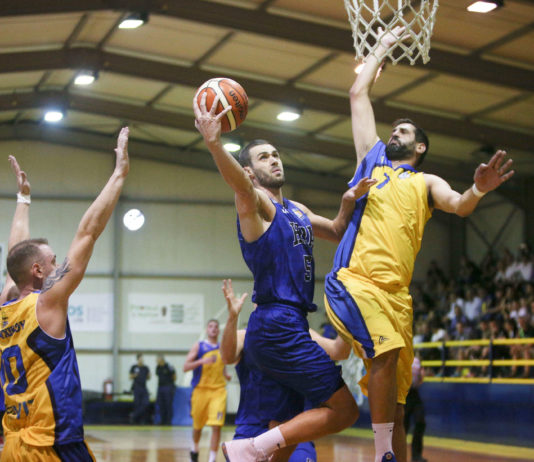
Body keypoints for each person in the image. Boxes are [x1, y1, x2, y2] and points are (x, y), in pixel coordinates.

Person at [323, 25, 514, 462]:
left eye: (404, 131)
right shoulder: (371, 159)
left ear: (420, 146)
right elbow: (357, 94)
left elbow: (460, 206)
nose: (395, 133)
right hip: (356, 281)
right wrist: (383, 46)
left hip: (397, 299)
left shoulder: (426, 182)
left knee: (399, 406)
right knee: (387, 354)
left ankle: (393, 453)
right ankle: (381, 455)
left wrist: (479, 189)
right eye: (394, 129)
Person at [194, 93, 375, 462]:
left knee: (288, 427)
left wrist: (347, 201)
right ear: (248, 171)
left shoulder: (297, 209)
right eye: (263, 157)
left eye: (276, 154)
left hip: (291, 321)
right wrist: (215, 145)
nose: (274, 159)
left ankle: (256, 450)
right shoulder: (256, 204)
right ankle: (249, 448)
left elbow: (338, 230)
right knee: (345, 411)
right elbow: (241, 188)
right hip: (276, 322)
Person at [0, 128, 130, 461]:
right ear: (38, 271)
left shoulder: (5, 307)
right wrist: (118, 175)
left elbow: (16, 256)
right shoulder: (46, 303)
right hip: (51, 444)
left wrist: (23, 200)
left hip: (12, 445)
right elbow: (88, 233)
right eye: (53, 261)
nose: (58, 265)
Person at [220, 279, 351, 462]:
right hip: (252, 427)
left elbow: (339, 351)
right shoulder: (245, 334)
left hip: (293, 430)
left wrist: (350, 316)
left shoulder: (304, 334)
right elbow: (227, 357)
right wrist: (232, 317)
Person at [183, 319, 231, 462]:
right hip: (200, 391)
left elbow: (222, 366)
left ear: (219, 330)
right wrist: (201, 361)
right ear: (206, 329)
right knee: (197, 427)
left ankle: (212, 459)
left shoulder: (222, 348)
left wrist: (226, 375)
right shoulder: (199, 346)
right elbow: (185, 367)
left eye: (216, 326)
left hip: (218, 391)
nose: (213, 328)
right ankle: (194, 448)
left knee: (217, 426)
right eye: (211, 326)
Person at [404, 355, 426, 462]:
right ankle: (398, 454)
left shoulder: (417, 360)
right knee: (403, 426)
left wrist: (421, 376)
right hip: (403, 394)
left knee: (420, 422)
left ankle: (416, 456)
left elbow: (421, 378)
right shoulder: (401, 358)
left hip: (414, 394)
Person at [129, 353, 151, 424]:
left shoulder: (145, 368)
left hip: (144, 387)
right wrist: (135, 375)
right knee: (137, 404)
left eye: (142, 358)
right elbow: (130, 377)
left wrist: (148, 375)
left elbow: (148, 377)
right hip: (137, 387)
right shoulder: (134, 367)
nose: (142, 360)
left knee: (146, 403)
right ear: (138, 359)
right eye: (140, 359)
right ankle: (137, 420)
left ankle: (134, 415)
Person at [156, 354, 176, 425]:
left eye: (157, 359)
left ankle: (168, 421)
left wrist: (170, 384)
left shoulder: (169, 366)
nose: (156, 361)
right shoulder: (158, 367)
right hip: (160, 387)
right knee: (161, 405)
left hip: (168, 387)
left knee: (168, 404)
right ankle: (162, 420)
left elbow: (174, 376)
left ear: (161, 360)